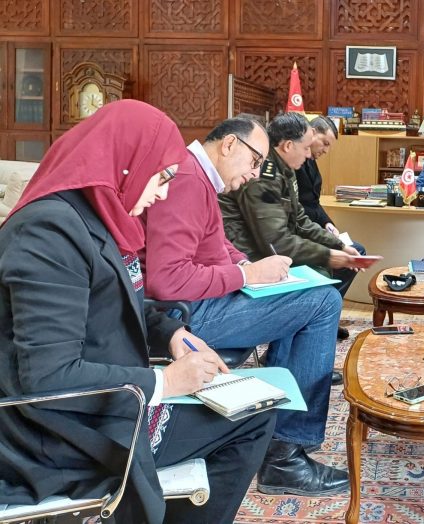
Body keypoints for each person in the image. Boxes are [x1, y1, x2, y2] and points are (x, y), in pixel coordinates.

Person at [0, 100, 276, 523]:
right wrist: (165, 382)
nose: (163, 193)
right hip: (53, 432)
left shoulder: (93, 215)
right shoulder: (49, 233)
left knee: (247, 408)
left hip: (95, 404)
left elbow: (114, 301)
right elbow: (48, 377)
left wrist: (170, 333)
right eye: (161, 177)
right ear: (128, 161)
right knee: (252, 418)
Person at [140, 115, 349, 497]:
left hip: (200, 300)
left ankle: (281, 431)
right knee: (323, 302)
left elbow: (216, 244)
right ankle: (285, 456)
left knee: (309, 295)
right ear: (229, 145)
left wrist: (247, 265)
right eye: (254, 161)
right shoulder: (188, 179)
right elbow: (166, 281)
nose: (254, 173)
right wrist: (246, 276)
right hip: (181, 314)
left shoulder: (200, 177)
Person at [220, 113, 363, 340]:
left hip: (266, 246)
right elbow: (276, 242)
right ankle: (285, 352)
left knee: (328, 272)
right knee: (319, 283)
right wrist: (329, 256)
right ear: (288, 145)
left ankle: (308, 334)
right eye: (306, 148)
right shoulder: (264, 176)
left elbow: (300, 220)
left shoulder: (284, 170)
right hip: (247, 255)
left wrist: (338, 245)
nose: (309, 154)